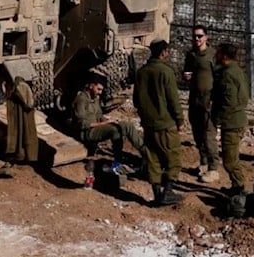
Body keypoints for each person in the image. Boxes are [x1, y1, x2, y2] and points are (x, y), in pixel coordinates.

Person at [133, 40, 185, 207]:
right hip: (165, 124)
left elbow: (136, 100)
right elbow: (173, 100)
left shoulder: (141, 72)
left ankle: (156, 193)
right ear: (163, 52)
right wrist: (180, 120)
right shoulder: (165, 72)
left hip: (148, 123)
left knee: (153, 158)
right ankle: (167, 192)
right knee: (173, 158)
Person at [72, 77, 146, 165]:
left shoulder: (95, 99)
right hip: (87, 132)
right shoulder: (81, 100)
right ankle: (118, 160)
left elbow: (99, 115)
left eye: (101, 90)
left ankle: (145, 152)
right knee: (115, 130)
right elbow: (82, 124)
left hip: (97, 127)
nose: (100, 92)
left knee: (127, 125)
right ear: (91, 86)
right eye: (98, 89)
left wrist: (110, 120)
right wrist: (104, 123)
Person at [183, 25, 220, 184]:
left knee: (209, 135)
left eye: (199, 36)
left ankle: (213, 168)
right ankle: (203, 162)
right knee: (197, 134)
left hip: (208, 101)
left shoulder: (212, 56)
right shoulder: (191, 55)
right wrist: (186, 76)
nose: (197, 39)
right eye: (195, 37)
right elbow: (187, 72)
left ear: (206, 37)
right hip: (195, 100)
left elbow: (219, 78)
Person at [211, 42, 249, 194]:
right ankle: (236, 186)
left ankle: (239, 188)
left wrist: (219, 117)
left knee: (230, 161)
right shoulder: (236, 70)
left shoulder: (228, 75)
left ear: (225, 56)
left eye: (219, 53)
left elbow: (229, 100)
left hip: (232, 122)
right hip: (236, 120)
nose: (216, 56)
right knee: (231, 157)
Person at [4, 76, 38, 166]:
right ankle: (31, 157)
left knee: (19, 135)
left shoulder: (16, 88)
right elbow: (30, 103)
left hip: (18, 115)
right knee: (28, 135)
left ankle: (19, 155)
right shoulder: (25, 87)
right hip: (27, 115)